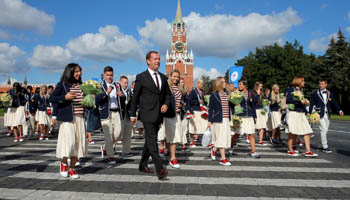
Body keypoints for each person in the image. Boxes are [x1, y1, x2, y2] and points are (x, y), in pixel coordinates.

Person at [130, 51, 171, 180]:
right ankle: (160, 168)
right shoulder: (141, 77)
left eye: (159, 59)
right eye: (155, 59)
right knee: (153, 140)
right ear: (148, 61)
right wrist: (132, 114)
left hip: (159, 115)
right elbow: (135, 97)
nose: (158, 61)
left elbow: (167, 95)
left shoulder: (163, 77)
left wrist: (166, 104)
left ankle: (143, 165)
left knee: (149, 141)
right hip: (146, 114)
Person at [50, 63, 87, 179]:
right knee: (69, 143)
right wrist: (64, 98)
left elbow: (87, 102)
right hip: (68, 119)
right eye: (76, 71)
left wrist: (89, 99)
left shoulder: (82, 86)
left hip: (80, 118)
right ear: (70, 72)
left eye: (79, 71)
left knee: (79, 144)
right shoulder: (63, 85)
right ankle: (64, 163)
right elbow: (52, 98)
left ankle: (72, 168)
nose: (79, 73)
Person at [95, 66, 126, 165]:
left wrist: (122, 96)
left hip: (117, 112)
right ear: (104, 75)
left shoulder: (117, 85)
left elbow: (124, 98)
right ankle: (111, 156)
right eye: (107, 75)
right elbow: (96, 100)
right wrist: (106, 93)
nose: (109, 77)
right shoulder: (100, 86)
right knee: (108, 136)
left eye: (111, 75)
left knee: (118, 133)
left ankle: (105, 147)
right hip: (105, 113)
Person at [309, 79, 344, 153]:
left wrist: (339, 110)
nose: (320, 85)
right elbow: (312, 103)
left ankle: (323, 145)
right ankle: (325, 147)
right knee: (323, 130)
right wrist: (309, 112)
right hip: (319, 114)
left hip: (327, 114)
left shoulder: (329, 93)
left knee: (326, 130)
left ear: (326, 85)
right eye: (320, 84)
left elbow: (334, 102)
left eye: (322, 84)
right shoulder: (316, 93)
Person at [286, 76, 317, 157]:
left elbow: (302, 103)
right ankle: (290, 150)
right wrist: (299, 100)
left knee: (306, 131)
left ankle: (308, 150)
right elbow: (288, 100)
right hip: (294, 113)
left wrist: (307, 112)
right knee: (293, 132)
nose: (304, 82)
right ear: (298, 81)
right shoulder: (291, 89)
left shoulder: (301, 90)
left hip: (301, 113)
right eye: (303, 81)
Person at [208, 77, 234, 166]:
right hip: (218, 119)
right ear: (219, 83)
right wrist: (209, 121)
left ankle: (214, 149)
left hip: (227, 119)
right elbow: (210, 109)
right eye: (222, 82)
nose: (224, 83)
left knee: (224, 137)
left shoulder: (228, 94)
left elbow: (231, 106)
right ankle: (223, 158)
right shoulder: (214, 95)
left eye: (225, 82)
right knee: (222, 138)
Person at [232, 79, 260, 158]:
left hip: (249, 116)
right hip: (240, 116)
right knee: (236, 134)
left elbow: (254, 103)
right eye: (239, 84)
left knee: (251, 134)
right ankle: (230, 148)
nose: (239, 86)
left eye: (240, 84)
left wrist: (257, 94)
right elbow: (232, 104)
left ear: (245, 85)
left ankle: (253, 151)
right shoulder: (236, 93)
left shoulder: (250, 93)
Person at [163, 69, 185, 168]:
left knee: (173, 136)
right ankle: (172, 158)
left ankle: (171, 155)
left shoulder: (178, 88)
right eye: (174, 76)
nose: (176, 78)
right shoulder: (167, 87)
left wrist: (181, 104)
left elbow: (178, 100)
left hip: (177, 114)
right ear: (170, 76)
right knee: (172, 137)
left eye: (177, 77)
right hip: (168, 114)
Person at [188, 79, 207, 147]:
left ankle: (200, 139)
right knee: (193, 126)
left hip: (201, 111)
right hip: (194, 110)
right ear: (197, 84)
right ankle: (191, 141)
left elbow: (203, 102)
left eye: (202, 84)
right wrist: (191, 112)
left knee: (202, 125)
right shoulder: (193, 91)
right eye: (201, 84)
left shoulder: (202, 92)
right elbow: (189, 102)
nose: (202, 85)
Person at [118, 75, 134, 157]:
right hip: (120, 114)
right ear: (120, 82)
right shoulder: (117, 91)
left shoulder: (129, 91)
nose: (126, 84)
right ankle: (108, 147)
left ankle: (126, 150)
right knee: (117, 133)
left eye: (127, 83)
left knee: (128, 133)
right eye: (124, 82)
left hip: (128, 114)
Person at [254, 82, 268, 146]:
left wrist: (266, 102)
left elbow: (265, 100)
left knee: (262, 126)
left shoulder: (262, 93)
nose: (261, 87)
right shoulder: (253, 93)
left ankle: (260, 140)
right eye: (260, 86)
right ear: (257, 86)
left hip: (262, 110)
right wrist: (258, 94)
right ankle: (249, 137)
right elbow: (254, 101)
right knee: (255, 126)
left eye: (262, 86)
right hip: (256, 110)